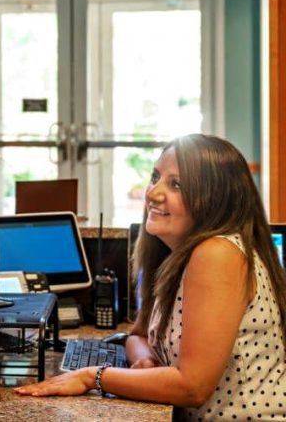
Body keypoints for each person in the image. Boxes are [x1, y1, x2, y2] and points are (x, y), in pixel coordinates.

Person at [15, 134, 286, 420]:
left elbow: (193, 387)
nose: (153, 193)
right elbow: (139, 334)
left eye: (176, 184)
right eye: (155, 177)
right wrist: (145, 360)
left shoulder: (217, 254)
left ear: (214, 199)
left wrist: (92, 376)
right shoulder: (177, 253)